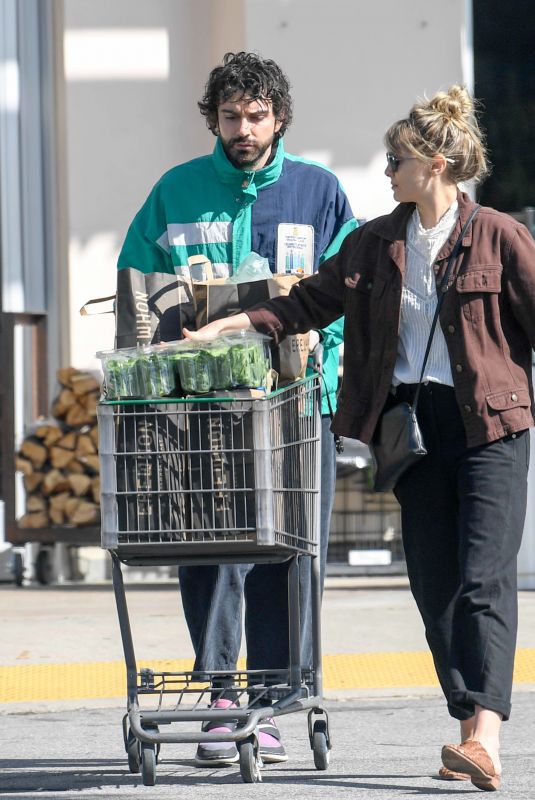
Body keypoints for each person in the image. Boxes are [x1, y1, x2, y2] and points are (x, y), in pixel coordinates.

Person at [185, 84, 535, 791]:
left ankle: (485, 736)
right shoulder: (374, 242)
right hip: (410, 427)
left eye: (396, 160)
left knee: (480, 579)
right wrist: (230, 324)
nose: (385, 173)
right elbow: (306, 304)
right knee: (433, 584)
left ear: (433, 163)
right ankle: (468, 716)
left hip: (489, 423)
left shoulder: (497, 234)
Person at [116, 51, 356, 766]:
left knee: (289, 550)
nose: (243, 129)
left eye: (255, 116)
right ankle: (223, 694)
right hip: (201, 411)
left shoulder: (319, 191)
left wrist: (323, 344)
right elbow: (136, 285)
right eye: (230, 117)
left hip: (295, 403)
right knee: (212, 549)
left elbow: (352, 287)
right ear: (213, 120)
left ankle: (277, 697)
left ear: (278, 118)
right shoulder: (177, 190)